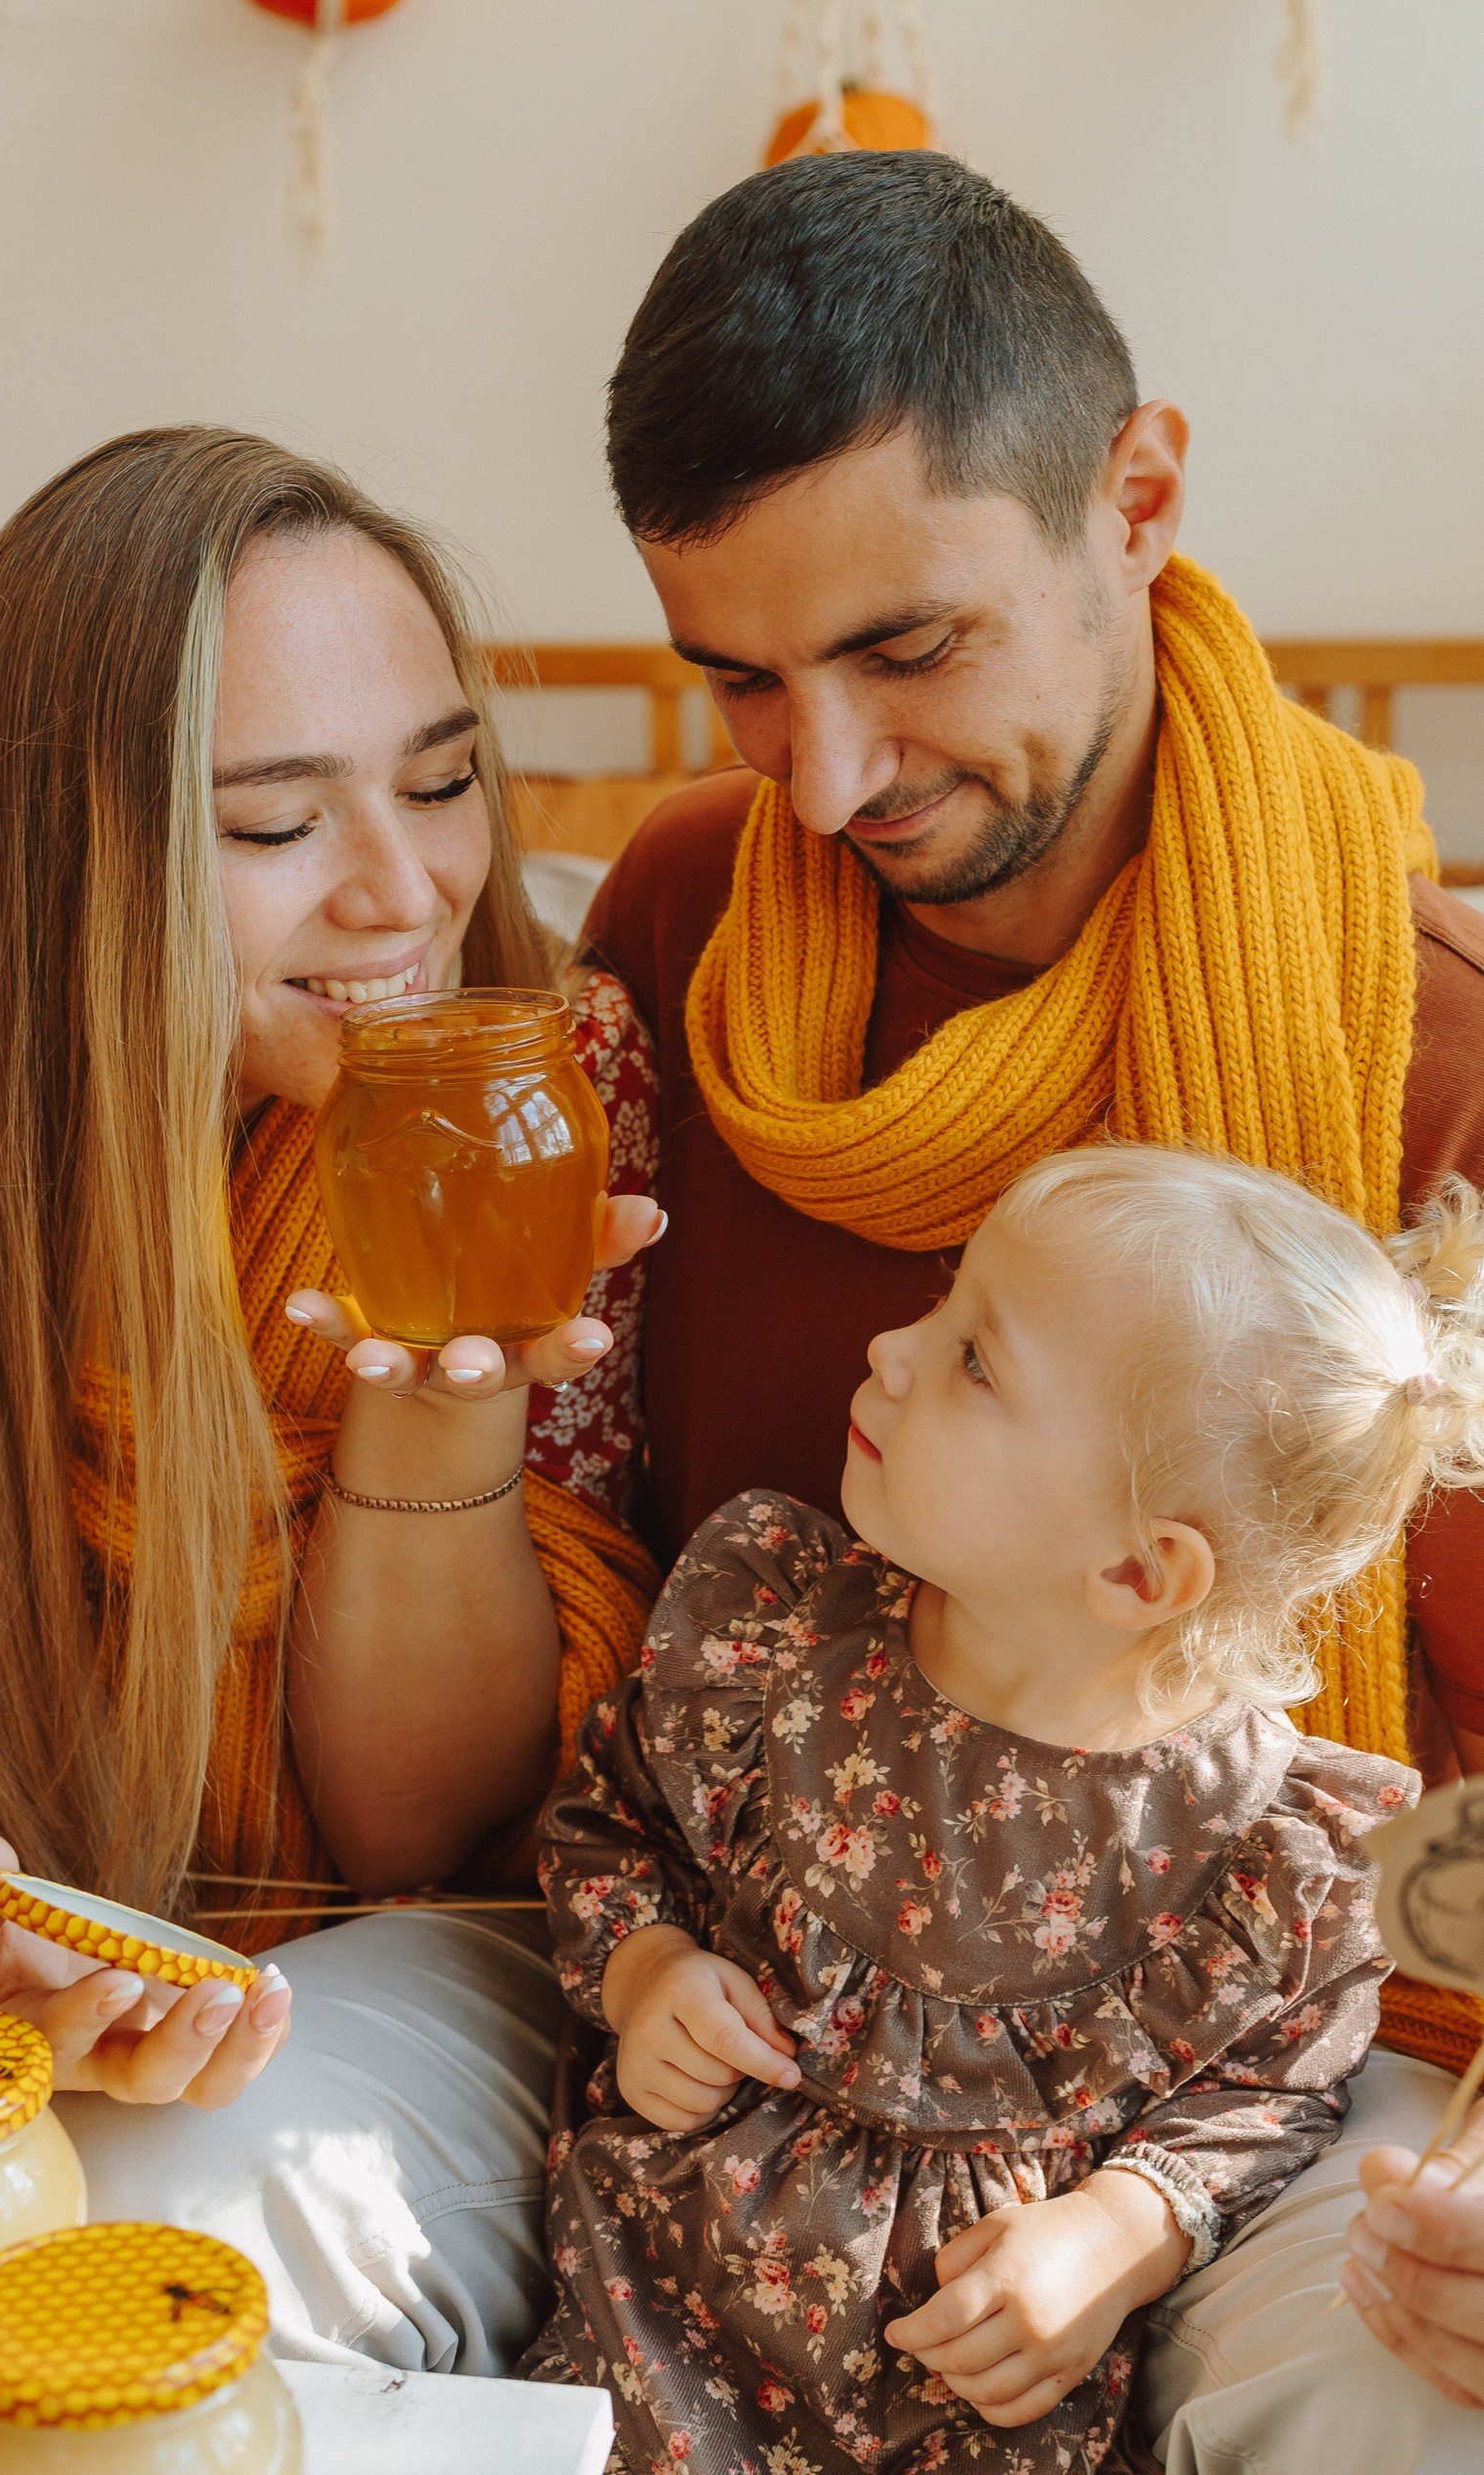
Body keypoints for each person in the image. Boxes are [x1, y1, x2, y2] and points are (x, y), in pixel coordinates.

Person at [567, 152, 1484, 2460]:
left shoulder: (1437, 1054)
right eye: (739, 683)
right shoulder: (681, 920)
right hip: (730, 1977)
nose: (832, 776)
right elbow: (570, 1597)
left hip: (1284, 2056)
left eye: (907, 646)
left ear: (1135, 493)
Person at [0, 426, 663, 2373]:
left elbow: (429, 1836)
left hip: (381, 1960)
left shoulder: (551, 1087)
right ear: (68, 846)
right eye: (280, 822)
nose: (407, 892)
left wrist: (437, 1412)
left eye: (446, 781)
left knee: (86, 2254)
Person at [523, 1143, 1484, 2471]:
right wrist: (647, 1974)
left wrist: (1117, 2233)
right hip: (641, 2338)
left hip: (968, 2414)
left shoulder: (1264, 1855)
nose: (893, 1349)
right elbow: (610, 1820)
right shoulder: (775, 1634)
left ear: (1141, 1570)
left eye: (977, 1359)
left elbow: (1272, 2092)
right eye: (945, 1303)